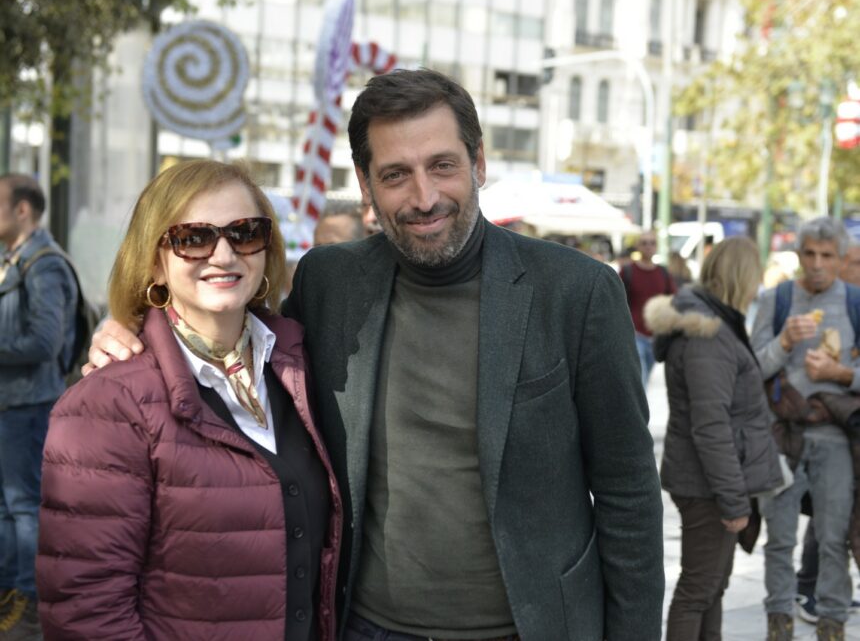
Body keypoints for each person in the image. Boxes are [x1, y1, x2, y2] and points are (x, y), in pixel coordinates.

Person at [88, 69, 664, 640]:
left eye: (442, 165)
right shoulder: (328, 282)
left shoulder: (576, 291)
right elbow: (230, 335)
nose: (425, 197)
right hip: (364, 628)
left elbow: (629, 492)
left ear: (479, 163)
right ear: (365, 186)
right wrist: (135, 327)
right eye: (395, 175)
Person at [37, 160, 342, 640]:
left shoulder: (299, 366)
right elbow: (87, 610)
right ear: (154, 260)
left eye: (244, 233)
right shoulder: (106, 404)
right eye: (193, 238)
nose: (223, 254)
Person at [645, 237, 782, 641]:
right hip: (706, 485)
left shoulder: (713, 323)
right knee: (698, 590)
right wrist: (733, 500)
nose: (758, 287)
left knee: (712, 587)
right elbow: (711, 426)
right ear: (742, 277)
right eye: (755, 277)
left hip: (708, 481)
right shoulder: (708, 334)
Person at [751, 217, 859, 641]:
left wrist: (840, 373)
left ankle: (832, 623)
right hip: (782, 435)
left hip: (835, 437)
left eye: (826, 256)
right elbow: (751, 370)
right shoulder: (776, 299)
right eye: (809, 253)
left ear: (840, 259)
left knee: (833, 538)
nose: (816, 264)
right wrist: (783, 343)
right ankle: (778, 623)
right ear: (798, 254)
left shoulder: (854, 301)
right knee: (779, 539)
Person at [0, 174, 77, 640]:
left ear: (22, 209)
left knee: (24, 507)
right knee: (8, 508)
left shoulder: (43, 265)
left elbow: (45, 341)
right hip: (12, 404)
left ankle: (28, 607)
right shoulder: (14, 260)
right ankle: (11, 595)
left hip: (28, 405)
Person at [620, 230, 676, 389]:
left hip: (657, 335)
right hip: (634, 334)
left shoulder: (663, 272)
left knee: (646, 376)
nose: (648, 246)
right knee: (640, 379)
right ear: (638, 246)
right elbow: (616, 299)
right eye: (644, 243)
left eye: (652, 243)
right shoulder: (627, 271)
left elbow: (673, 299)